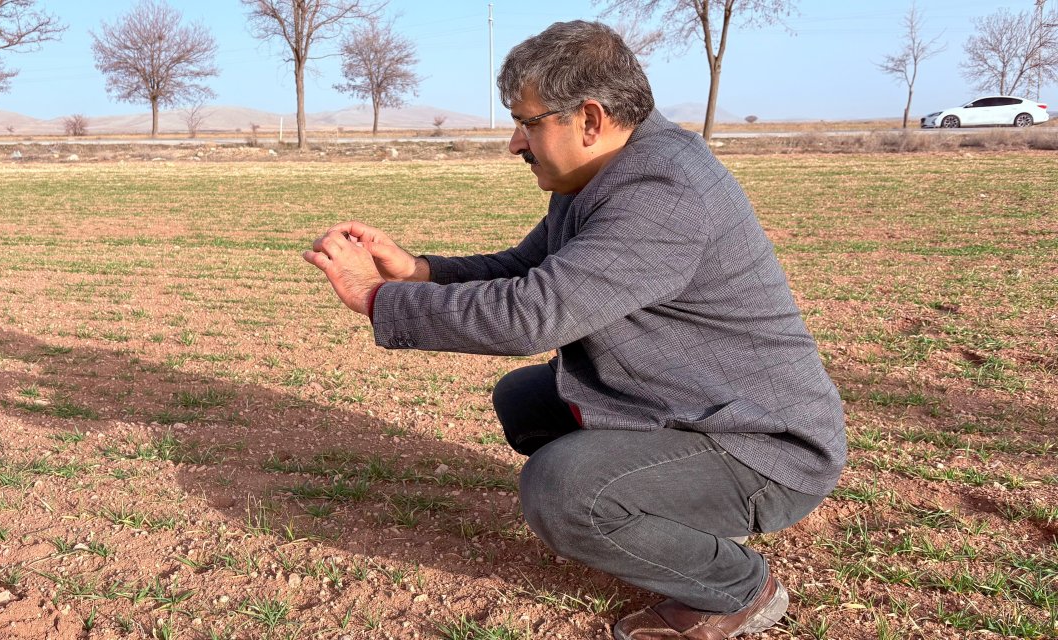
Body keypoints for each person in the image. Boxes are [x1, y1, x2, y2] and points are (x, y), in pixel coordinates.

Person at [302, 19, 845, 640]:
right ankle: (654, 511)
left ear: (588, 119)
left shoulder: (661, 191)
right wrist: (416, 271)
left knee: (561, 488)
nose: (516, 144)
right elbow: (527, 267)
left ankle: (735, 588)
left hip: (764, 446)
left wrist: (377, 299)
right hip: (696, 405)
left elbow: (533, 313)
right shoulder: (606, 173)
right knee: (527, 401)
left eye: (529, 122)